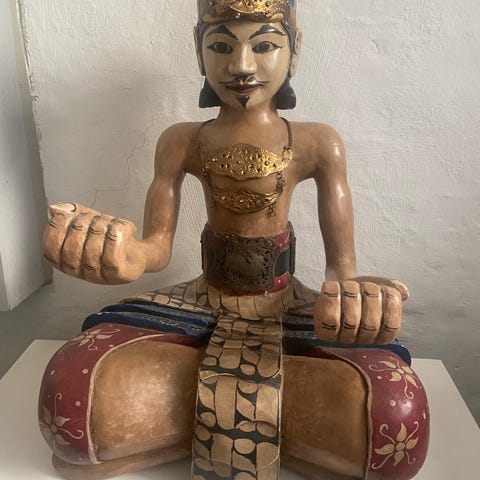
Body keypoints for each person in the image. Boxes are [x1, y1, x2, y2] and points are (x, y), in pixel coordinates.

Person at [39, 1, 429, 479]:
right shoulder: (180, 140)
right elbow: (156, 248)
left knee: (395, 410)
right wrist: (122, 256)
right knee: (70, 389)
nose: (242, 66)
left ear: (295, 49)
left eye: (264, 46)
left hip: (287, 306)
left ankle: (183, 405)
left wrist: (353, 298)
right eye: (222, 46)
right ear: (198, 51)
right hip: (200, 302)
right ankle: (282, 416)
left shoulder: (318, 143)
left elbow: (341, 270)